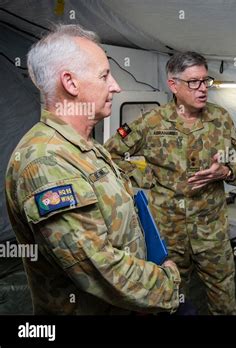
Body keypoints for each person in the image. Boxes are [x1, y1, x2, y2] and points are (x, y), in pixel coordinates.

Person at [4, 24, 181, 315]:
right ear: (70, 83)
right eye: (104, 75)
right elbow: (99, 268)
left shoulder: (88, 147)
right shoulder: (47, 162)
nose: (116, 86)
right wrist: (168, 282)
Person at [105, 51, 236, 315]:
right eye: (194, 82)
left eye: (206, 81)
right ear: (174, 85)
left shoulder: (221, 119)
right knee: (170, 302)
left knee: (225, 301)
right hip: (169, 235)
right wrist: (147, 176)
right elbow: (109, 156)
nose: (203, 88)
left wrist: (226, 172)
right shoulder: (152, 122)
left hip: (212, 232)